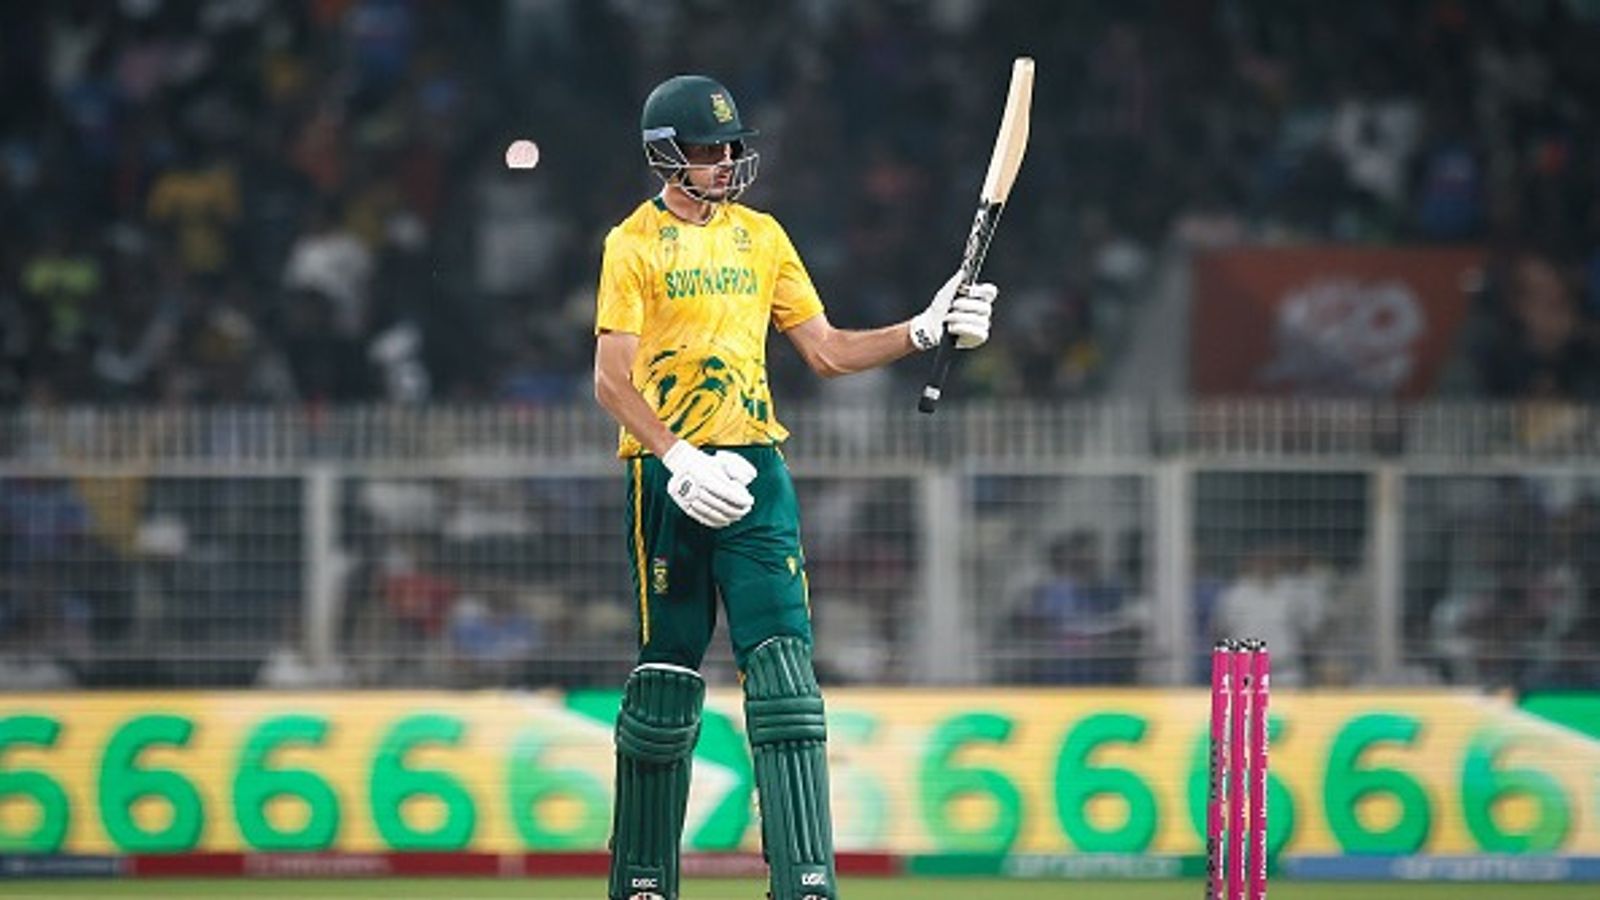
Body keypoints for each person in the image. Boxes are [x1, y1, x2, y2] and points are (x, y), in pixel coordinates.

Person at [592, 74, 996, 900]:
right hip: (669, 476)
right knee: (667, 679)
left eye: (733, 145)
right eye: (709, 150)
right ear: (666, 156)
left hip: (757, 473)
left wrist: (924, 329)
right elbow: (610, 381)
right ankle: (643, 880)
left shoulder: (763, 238)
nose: (728, 160)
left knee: (783, 676)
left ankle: (805, 878)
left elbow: (828, 351)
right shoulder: (631, 244)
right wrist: (676, 458)